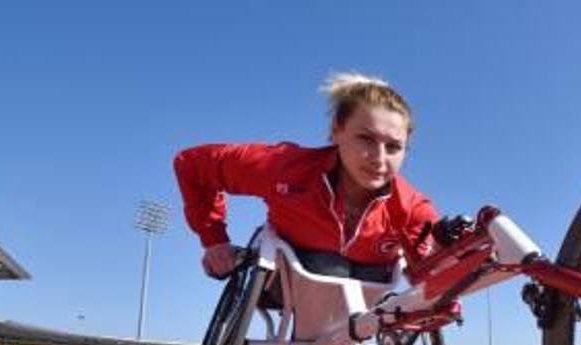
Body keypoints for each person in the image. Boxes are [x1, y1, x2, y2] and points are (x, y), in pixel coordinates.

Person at [173, 72, 443, 283]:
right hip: (290, 278)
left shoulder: (412, 208)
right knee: (330, 268)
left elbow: (436, 272)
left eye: (393, 147)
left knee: (377, 277)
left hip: (366, 297)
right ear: (337, 131)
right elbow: (191, 165)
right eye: (365, 139)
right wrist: (214, 240)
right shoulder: (284, 167)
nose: (379, 158)